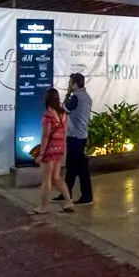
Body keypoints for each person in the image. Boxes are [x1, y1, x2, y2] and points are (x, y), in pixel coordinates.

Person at [30, 88, 74, 214]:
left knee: (47, 179)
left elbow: (45, 136)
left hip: (49, 150)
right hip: (60, 148)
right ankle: (68, 201)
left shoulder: (48, 115)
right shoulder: (64, 114)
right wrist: (63, 148)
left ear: (47, 100)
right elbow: (65, 133)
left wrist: (41, 153)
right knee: (56, 177)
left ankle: (43, 207)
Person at [54, 73, 93, 205]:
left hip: (75, 137)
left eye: (70, 83)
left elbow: (64, 107)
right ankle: (67, 193)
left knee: (78, 167)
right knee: (73, 166)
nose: (69, 85)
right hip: (80, 136)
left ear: (75, 84)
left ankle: (85, 196)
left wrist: (67, 93)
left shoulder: (76, 97)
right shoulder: (87, 97)